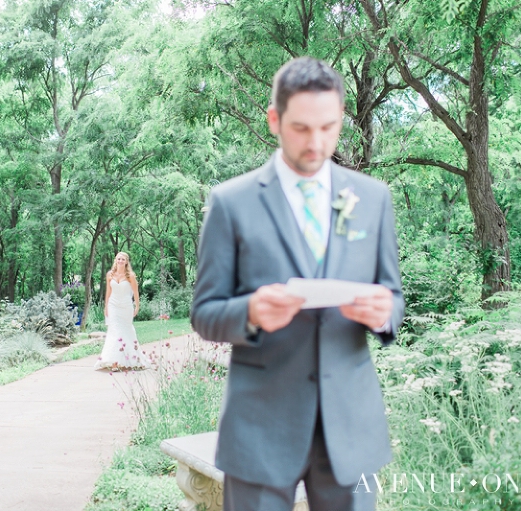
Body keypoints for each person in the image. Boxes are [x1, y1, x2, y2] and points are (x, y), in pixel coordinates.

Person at [191, 57, 404, 511]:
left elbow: (394, 297)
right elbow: (204, 313)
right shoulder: (230, 203)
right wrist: (250, 312)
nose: (316, 143)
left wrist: (384, 314)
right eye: (301, 128)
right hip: (260, 427)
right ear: (275, 120)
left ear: (341, 118)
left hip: (350, 428)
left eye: (328, 127)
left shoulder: (373, 199)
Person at [94, 252, 148, 371]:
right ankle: (114, 362)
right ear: (116, 260)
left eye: (123, 259)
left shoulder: (130, 276)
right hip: (113, 305)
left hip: (126, 306)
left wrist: (137, 306)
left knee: (126, 331)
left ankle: (134, 358)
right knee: (115, 331)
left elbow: (135, 292)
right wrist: (106, 307)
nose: (120, 261)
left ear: (126, 262)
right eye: (119, 259)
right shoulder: (110, 274)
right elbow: (108, 292)